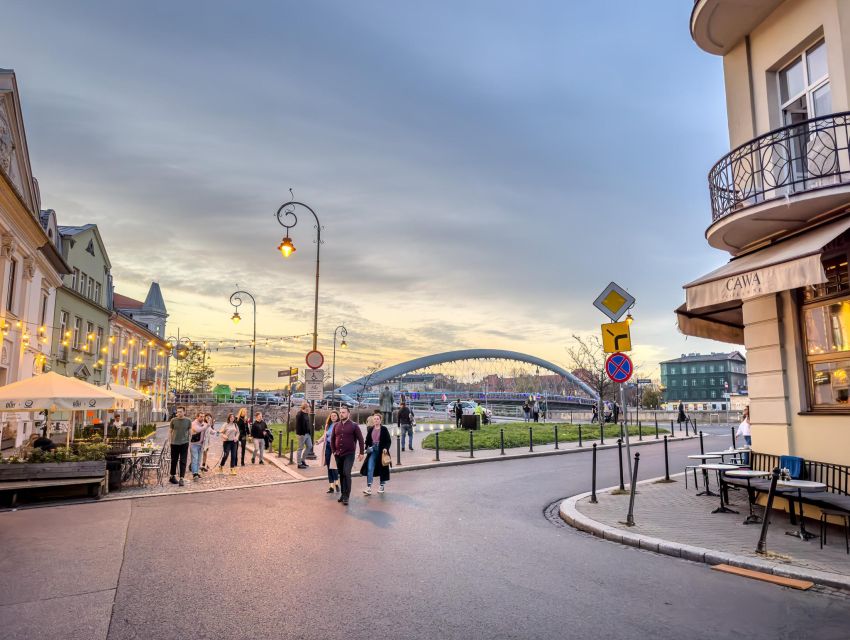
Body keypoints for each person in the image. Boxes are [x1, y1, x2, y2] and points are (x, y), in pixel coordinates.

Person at [331, 405, 364, 506]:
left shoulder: (354, 425)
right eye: (340, 412)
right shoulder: (336, 425)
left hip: (349, 454)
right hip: (338, 454)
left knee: (347, 473)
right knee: (341, 474)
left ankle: (347, 496)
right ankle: (343, 494)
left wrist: (362, 452)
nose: (341, 414)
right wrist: (334, 451)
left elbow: (361, 439)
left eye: (344, 412)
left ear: (348, 414)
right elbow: (332, 439)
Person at [360, 412, 391, 495]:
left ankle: (382, 486)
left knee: (382, 468)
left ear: (380, 420)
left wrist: (385, 448)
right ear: (373, 420)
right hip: (373, 450)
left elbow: (388, 441)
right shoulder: (371, 429)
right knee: (370, 467)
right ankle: (369, 487)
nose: (376, 420)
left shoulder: (384, 429)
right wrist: (367, 448)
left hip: (381, 451)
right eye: (375, 419)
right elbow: (367, 441)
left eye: (378, 419)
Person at [168, 407, 192, 486]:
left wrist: (190, 441)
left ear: (184, 412)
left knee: (183, 461)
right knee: (174, 460)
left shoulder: (188, 421)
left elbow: (190, 432)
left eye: (180, 412)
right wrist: (169, 441)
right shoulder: (173, 420)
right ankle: (172, 476)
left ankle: (182, 478)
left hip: (184, 443)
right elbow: (170, 431)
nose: (179, 413)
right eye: (178, 412)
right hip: (174, 443)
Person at [322, 410, 341, 493]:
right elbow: (325, 435)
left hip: (335, 447)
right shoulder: (328, 425)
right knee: (328, 466)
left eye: (335, 416)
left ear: (337, 417)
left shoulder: (339, 425)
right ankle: (331, 487)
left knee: (333, 466)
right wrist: (318, 441)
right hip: (328, 447)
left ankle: (337, 483)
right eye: (332, 416)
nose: (333, 417)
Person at [190, 412, 210, 480]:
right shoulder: (194, 423)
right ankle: (194, 473)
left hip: (201, 445)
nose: (202, 418)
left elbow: (209, 430)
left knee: (199, 459)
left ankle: (197, 472)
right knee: (195, 458)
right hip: (194, 444)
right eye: (201, 416)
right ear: (197, 417)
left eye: (203, 416)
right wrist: (206, 425)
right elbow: (198, 430)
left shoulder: (204, 424)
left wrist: (218, 433)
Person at [295, 402, 312, 469]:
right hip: (302, 434)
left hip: (307, 434)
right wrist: (301, 434)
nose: (309, 408)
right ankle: (299, 464)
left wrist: (309, 432)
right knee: (300, 448)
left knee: (309, 446)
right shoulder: (299, 415)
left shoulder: (306, 414)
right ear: (305, 407)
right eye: (308, 407)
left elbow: (307, 424)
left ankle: (303, 460)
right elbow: (298, 426)